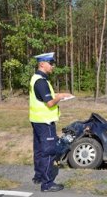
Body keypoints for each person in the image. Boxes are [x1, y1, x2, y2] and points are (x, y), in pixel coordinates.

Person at [29, 52, 72, 192]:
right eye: (50, 63)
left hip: (37, 120)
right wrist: (59, 97)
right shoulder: (41, 81)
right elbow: (49, 103)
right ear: (42, 64)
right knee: (48, 151)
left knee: (39, 150)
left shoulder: (37, 78)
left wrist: (60, 95)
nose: (53, 66)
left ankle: (39, 176)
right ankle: (47, 184)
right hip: (45, 121)